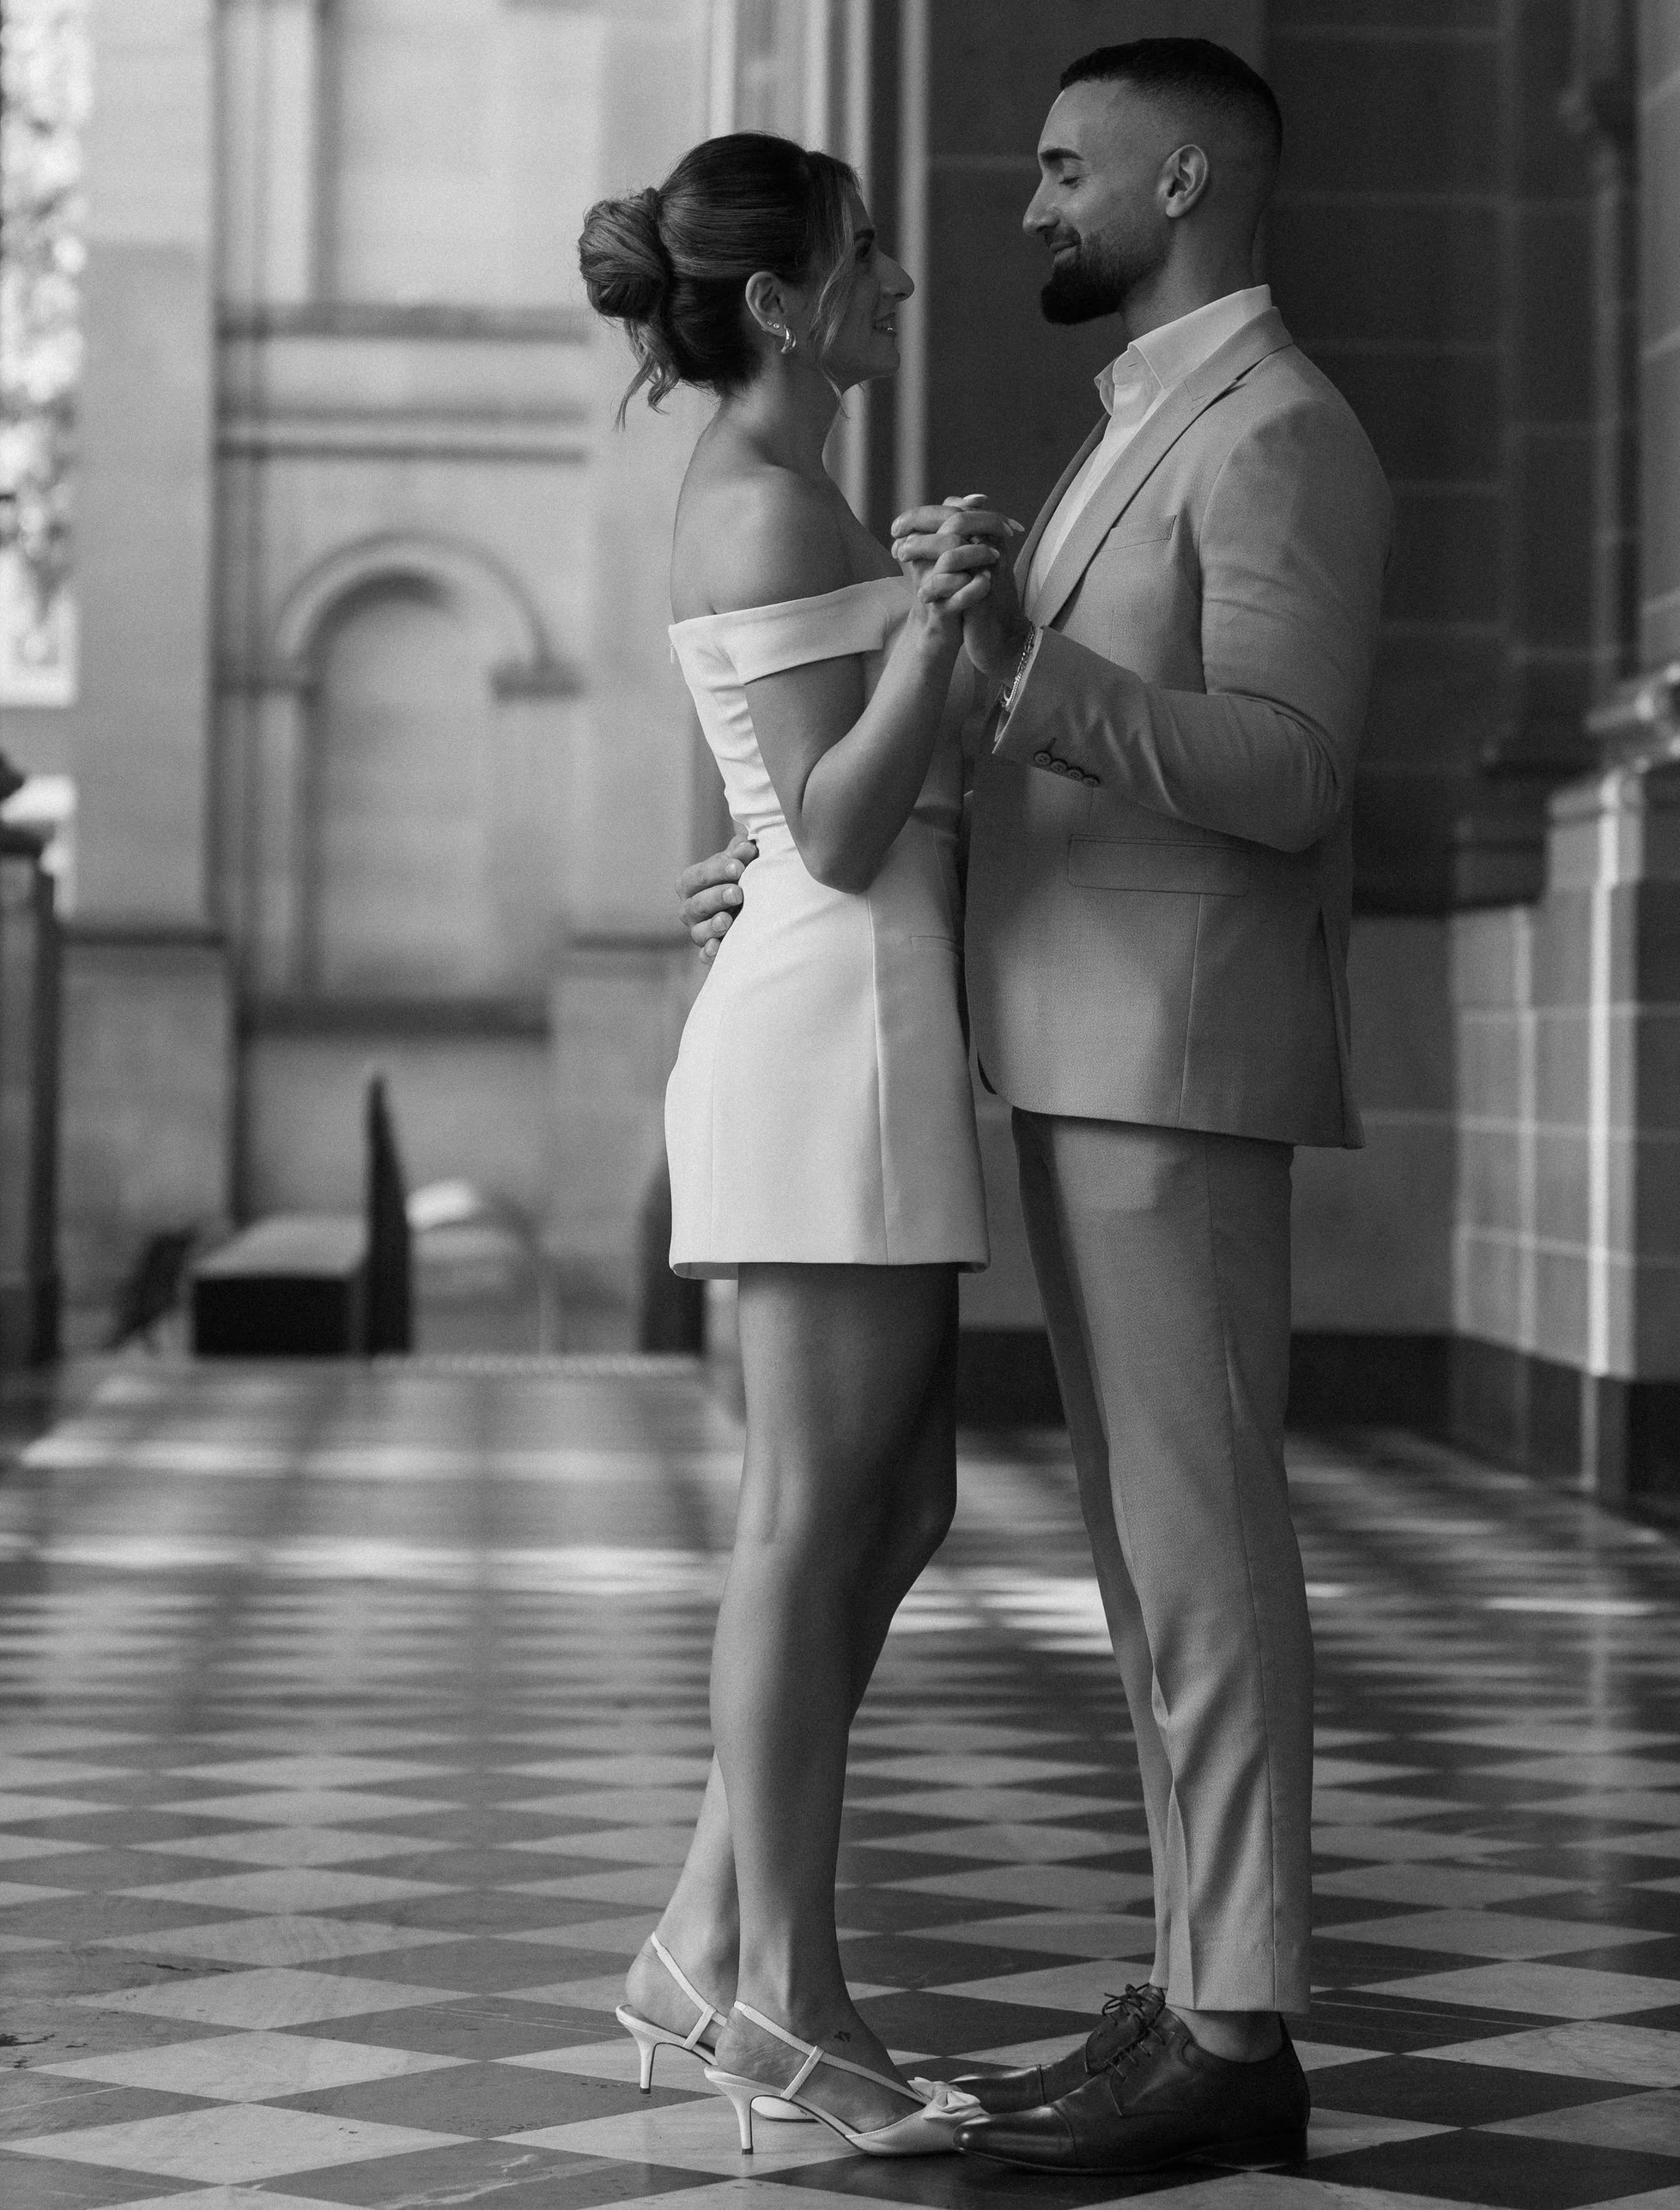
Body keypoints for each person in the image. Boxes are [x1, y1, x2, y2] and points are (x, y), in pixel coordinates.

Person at [682, 40, 1392, 2175]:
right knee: (1140, 1554)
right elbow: (986, 753)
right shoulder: (1128, 430)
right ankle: (1197, 1985)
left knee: (1199, 1547)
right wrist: (834, 826)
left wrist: (1007, 667)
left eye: (1063, 167)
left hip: (1170, 1053)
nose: (1025, 211)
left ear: (1185, 175)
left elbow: (1284, 769)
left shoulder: (1277, 432)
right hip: (1075, 1045)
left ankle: (1236, 2023)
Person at [579, 133, 993, 2160]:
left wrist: (916, 652)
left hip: (857, 1001)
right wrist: (939, 625)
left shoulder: (788, 485)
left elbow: (800, 809)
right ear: (779, 302)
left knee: (893, 1494)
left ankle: (691, 1935)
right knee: (811, 1514)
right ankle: (788, 2003)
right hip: (828, 1012)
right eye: (863, 258)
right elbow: (831, 821)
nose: (898, 281)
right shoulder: (758, 497)